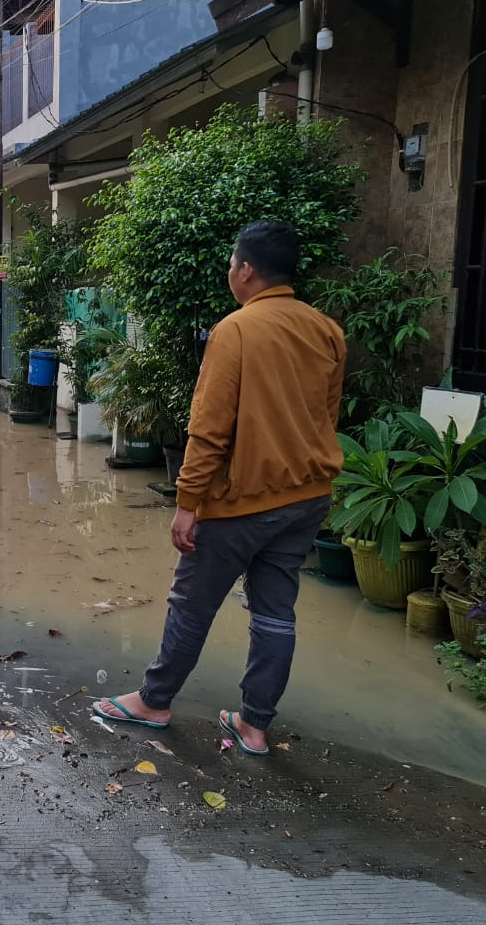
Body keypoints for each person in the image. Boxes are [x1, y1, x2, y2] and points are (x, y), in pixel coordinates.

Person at [93, 221, 345, 756]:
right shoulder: (327, 330)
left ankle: (154, 701)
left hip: (240, 503)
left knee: (191, 604)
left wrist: (188, 502)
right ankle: (254, 727)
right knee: (276, 613)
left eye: (232, 263)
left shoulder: (235, 329)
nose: (230, 272)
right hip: (306, 498)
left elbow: (209, 428)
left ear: (247, 269)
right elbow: (327, 416)